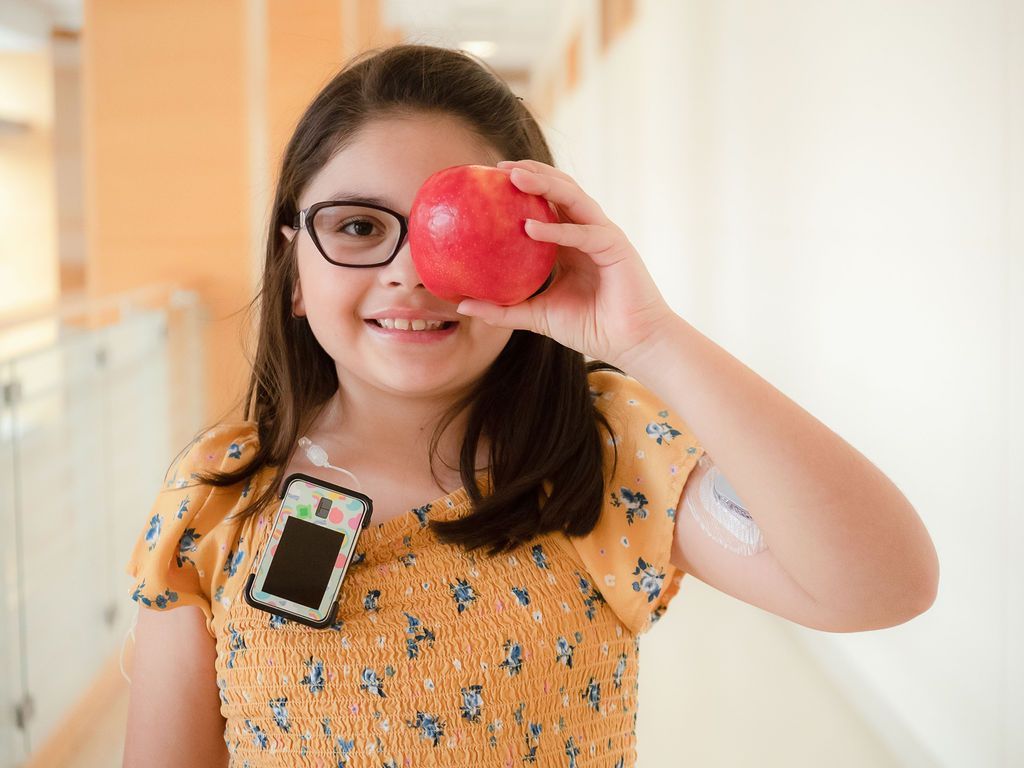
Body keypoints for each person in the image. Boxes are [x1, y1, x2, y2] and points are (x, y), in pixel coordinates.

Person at [122, 43, 938, 768]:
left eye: (455, 234)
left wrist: (649, 338)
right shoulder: (219, 494)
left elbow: (883, 585)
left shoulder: (606, 452)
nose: (409, 274)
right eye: (360, 227)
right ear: (295, 268)